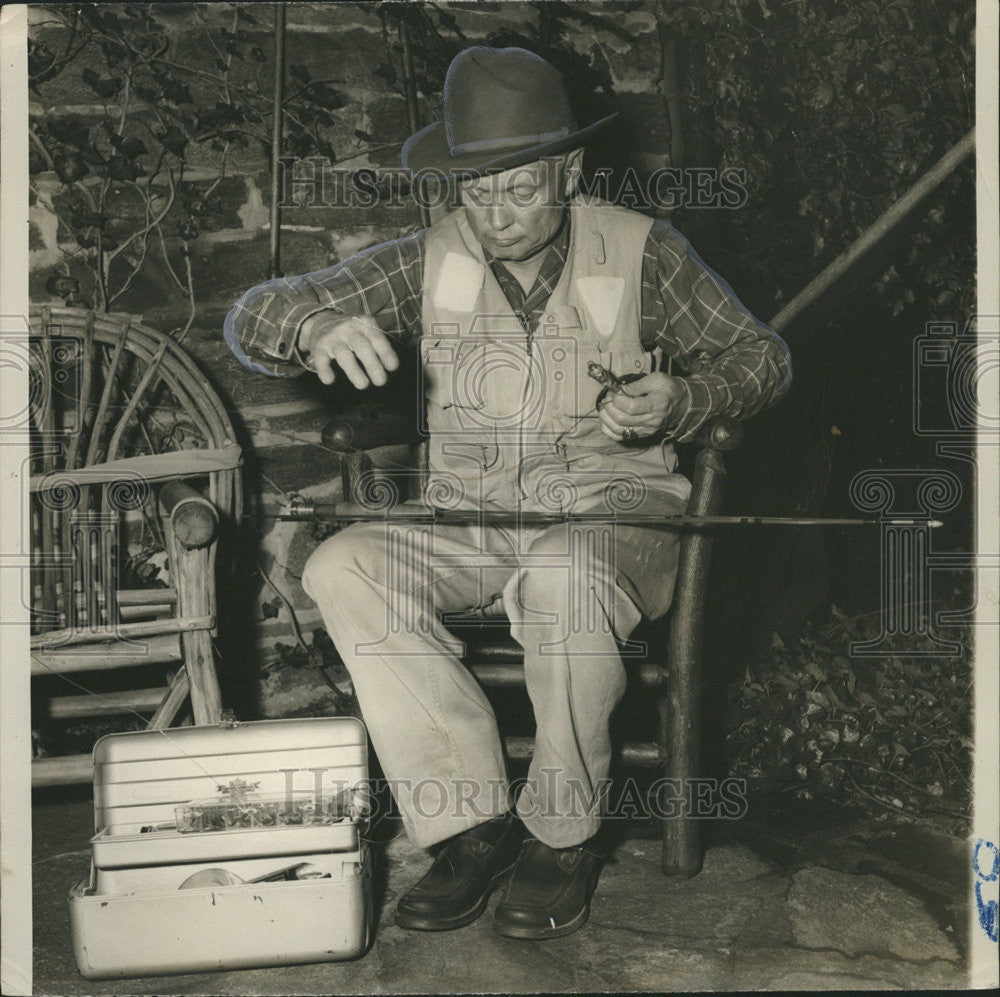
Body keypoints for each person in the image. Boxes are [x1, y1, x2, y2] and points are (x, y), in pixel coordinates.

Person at [225, 46, 791, 940]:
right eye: (476, 193)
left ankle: (562, 833)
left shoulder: (646, 251)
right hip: (476, 518)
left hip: (614, 514)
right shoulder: (430, 255)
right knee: (343, 564)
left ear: (568, 171)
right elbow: (251, 314)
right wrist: (315, 323)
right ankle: (472, 822)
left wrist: (686, 397)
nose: (496, 217)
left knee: (565, 575)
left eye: (520, 190)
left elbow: (763, 358)